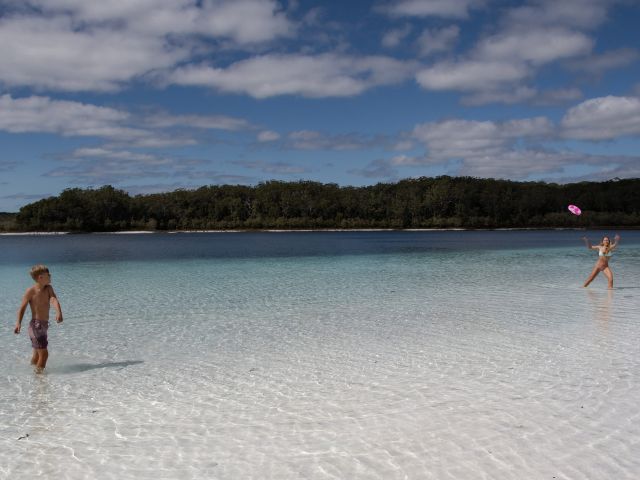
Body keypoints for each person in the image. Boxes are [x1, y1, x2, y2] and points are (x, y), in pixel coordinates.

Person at [14, 265, 63, 373]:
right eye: (48, 275)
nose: (50, 276)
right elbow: (22, 307)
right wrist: (18, 323)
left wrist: (59, 312)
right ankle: (40, 378)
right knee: (44, 354)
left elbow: (53, 299)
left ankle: (32, 372)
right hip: (35, 326)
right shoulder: (30, 291)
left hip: (44, 326)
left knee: (37, 353)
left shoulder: (49, 288)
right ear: (40, 277)